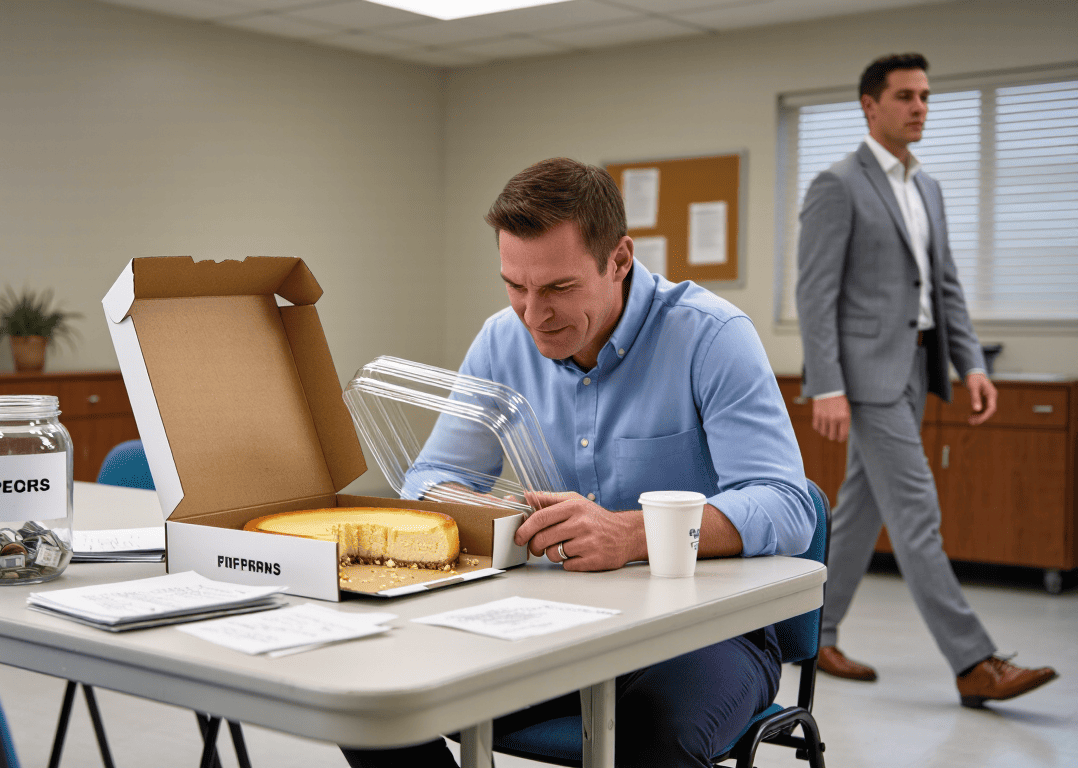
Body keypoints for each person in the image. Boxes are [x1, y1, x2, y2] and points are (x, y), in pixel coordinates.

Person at [339, 157, 816, 768]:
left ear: (619, 260)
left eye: (559, 288)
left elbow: (786, 502)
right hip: (558, 623)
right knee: (373, 701)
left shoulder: (711, 336)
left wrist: (630, 532)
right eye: (516, 286)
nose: (533, 315)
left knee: (656, 741)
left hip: (704, 632)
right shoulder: (500, 340)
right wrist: (503, 513)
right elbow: (430, 482)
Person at [796, 53, 1057, 705]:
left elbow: (945, 287)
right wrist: (826, 383)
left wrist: (970, 364)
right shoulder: (837, 184)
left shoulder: (927, 187)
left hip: (918, 367)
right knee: (917, 511)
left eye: (926, 97)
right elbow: (815, 292)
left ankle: (814, 633)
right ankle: (973, 661)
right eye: (906, 96)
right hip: (866, 377)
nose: (920, 108)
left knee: (862, 506)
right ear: (870, 105)